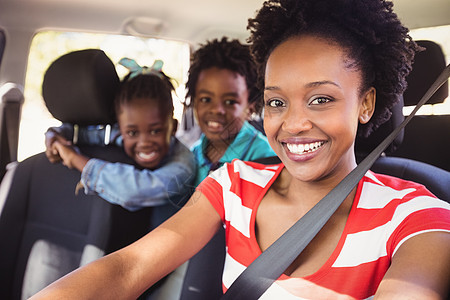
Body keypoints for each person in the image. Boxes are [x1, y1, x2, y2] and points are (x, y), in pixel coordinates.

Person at [31, 0, 450, 299]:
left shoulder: (418, 213)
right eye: (276, 101)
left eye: (321, 99)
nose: (294, 123)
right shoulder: (233, 184)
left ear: (366, 104)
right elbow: (129, 268)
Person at [48, 58, 196, 230]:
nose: (144, 142)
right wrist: (54, 137)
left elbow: (136, 190)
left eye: (155, 131)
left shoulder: (183, 166)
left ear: (173, 128)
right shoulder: (116, 135)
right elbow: (76, 133)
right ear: (120, 129)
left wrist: (75, 159)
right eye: (132, 133)